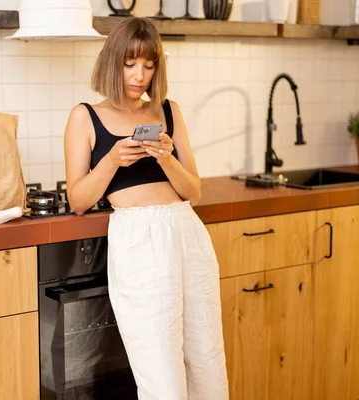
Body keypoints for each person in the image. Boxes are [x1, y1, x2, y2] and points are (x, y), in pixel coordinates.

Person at [63, 17, 229, 400]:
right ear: (112, 62)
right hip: (139, 241)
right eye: (130, 64)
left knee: (206, 356)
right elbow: (78, 201)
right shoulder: (84, 116)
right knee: (159, 368)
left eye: (149, 65)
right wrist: (112, 160)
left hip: (187, 234)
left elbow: (195, 191)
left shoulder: (169, 111)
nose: (140, 75)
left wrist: (167, 158)